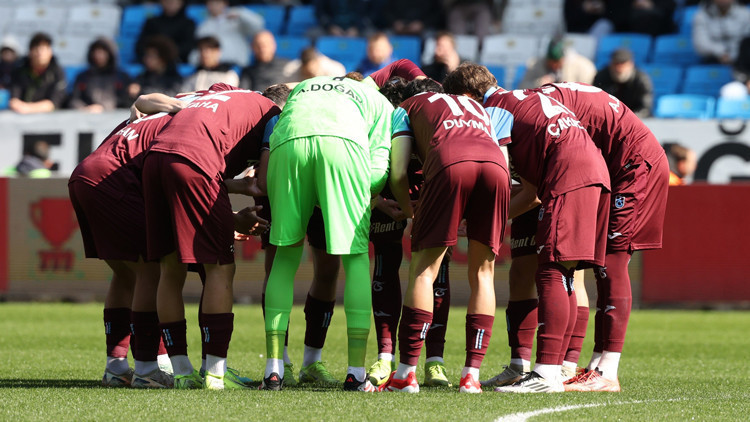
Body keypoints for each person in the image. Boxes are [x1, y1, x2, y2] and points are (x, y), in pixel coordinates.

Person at [490, 81, 670, 393]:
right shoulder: (537, 103)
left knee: (610, 262)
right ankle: (587, 367)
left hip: (632, 165)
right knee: (586, 264)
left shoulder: (531, 110)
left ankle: (605, 370)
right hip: (612, 165)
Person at [444, 63, 611, 393]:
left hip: (568, 176)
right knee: (556, 272)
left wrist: (479, 218)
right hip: (585, 172)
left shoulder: (493, 110)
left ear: (467, 96)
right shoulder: (520, 99)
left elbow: (499, 174)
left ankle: (548, 372)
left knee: (553, 270)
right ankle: (540, 368)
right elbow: (531, 191)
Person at [141, 84, 278, 390]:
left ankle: (182, 372)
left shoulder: (225, 95)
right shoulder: (274, 113)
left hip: (154, 160)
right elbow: (264, 185)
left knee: (170, 266)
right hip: (196, 161)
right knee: (220, 267)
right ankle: (215, 374)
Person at [261, 75, 393, 392]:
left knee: (285, 255)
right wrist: (356, 192)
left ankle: (273, 368)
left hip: (288, 147)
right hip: (342, 150)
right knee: (355, 258)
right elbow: (378, 170)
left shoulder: (307, 85)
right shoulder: (380, 102)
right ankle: (356, 372)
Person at [382, 77, 511, 393]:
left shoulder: (405, 108)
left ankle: (406, 373)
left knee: (423, 272)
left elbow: (399, 173)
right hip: (497, 169)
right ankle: (471, 376)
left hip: (450, 162)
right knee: (483, 274)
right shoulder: (476, 106)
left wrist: (410, 212)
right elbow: (502, 160)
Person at [69, 94, 186, 388]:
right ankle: (147, 369)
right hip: (114, 180)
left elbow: (142, 100)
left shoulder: (151, 116)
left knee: (124, 273)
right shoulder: (186, 124)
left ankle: (117, 366)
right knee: (151, 270)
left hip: (83, 175)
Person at [8, 33, 66, 114]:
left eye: (44, 49)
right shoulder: (19, 70)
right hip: (21, 117)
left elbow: (54, 103)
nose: (40, 53)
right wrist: (20, 107)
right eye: (36, 49)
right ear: (30, 52)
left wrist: (28, 108)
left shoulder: (57, 72)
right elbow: (14, 100)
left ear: (50, 52)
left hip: (50, 117)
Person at [68, 38, 131, 112]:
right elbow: (74, 99)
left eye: (102, 52)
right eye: (96, 52)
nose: (99, 56)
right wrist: (85, 108)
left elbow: (125, 100)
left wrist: (103, 107)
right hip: (86, 115)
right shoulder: (82, 77)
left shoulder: (121, 77)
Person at [194, 0, 264, 68]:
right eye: (211, 3)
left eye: (217, 2)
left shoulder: (238, 18)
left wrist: (240, 14)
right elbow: (199, 51)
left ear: (225, 3)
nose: (214, 6)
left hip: (239, 66)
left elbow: (259, 25)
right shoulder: (203, 28)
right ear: (207, 6)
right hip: (216, 68)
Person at [593, 48, 653, 118]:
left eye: (622, 64)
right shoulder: (602, 77)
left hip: (634, 119)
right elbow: (595, 102)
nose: (619, 68)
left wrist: (627, 118)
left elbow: (645, 108)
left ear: (631, 64)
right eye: (616, 64)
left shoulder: (641, 79)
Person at [519, 38, 596, 89]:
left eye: (557, 63)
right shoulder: (535, 64)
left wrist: (565, 88)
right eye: (551, 62)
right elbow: (522, 87)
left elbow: (589, 91)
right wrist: (539, 83)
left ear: (563, 59)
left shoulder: (584, 67)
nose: (554, 65)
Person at [692, 0, 750, 65]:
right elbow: (701, 44)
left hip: (741, 61)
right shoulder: (701, 15)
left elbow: (747, 41)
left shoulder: (745, 14)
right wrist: (720, 53)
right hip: (711, 61)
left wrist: (733, 55)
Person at [282, 47, 346, 82]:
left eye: (312, 73)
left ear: (318, 61)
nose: (310, 76)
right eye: (307, 74)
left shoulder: (335, 70)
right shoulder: (290, 71)